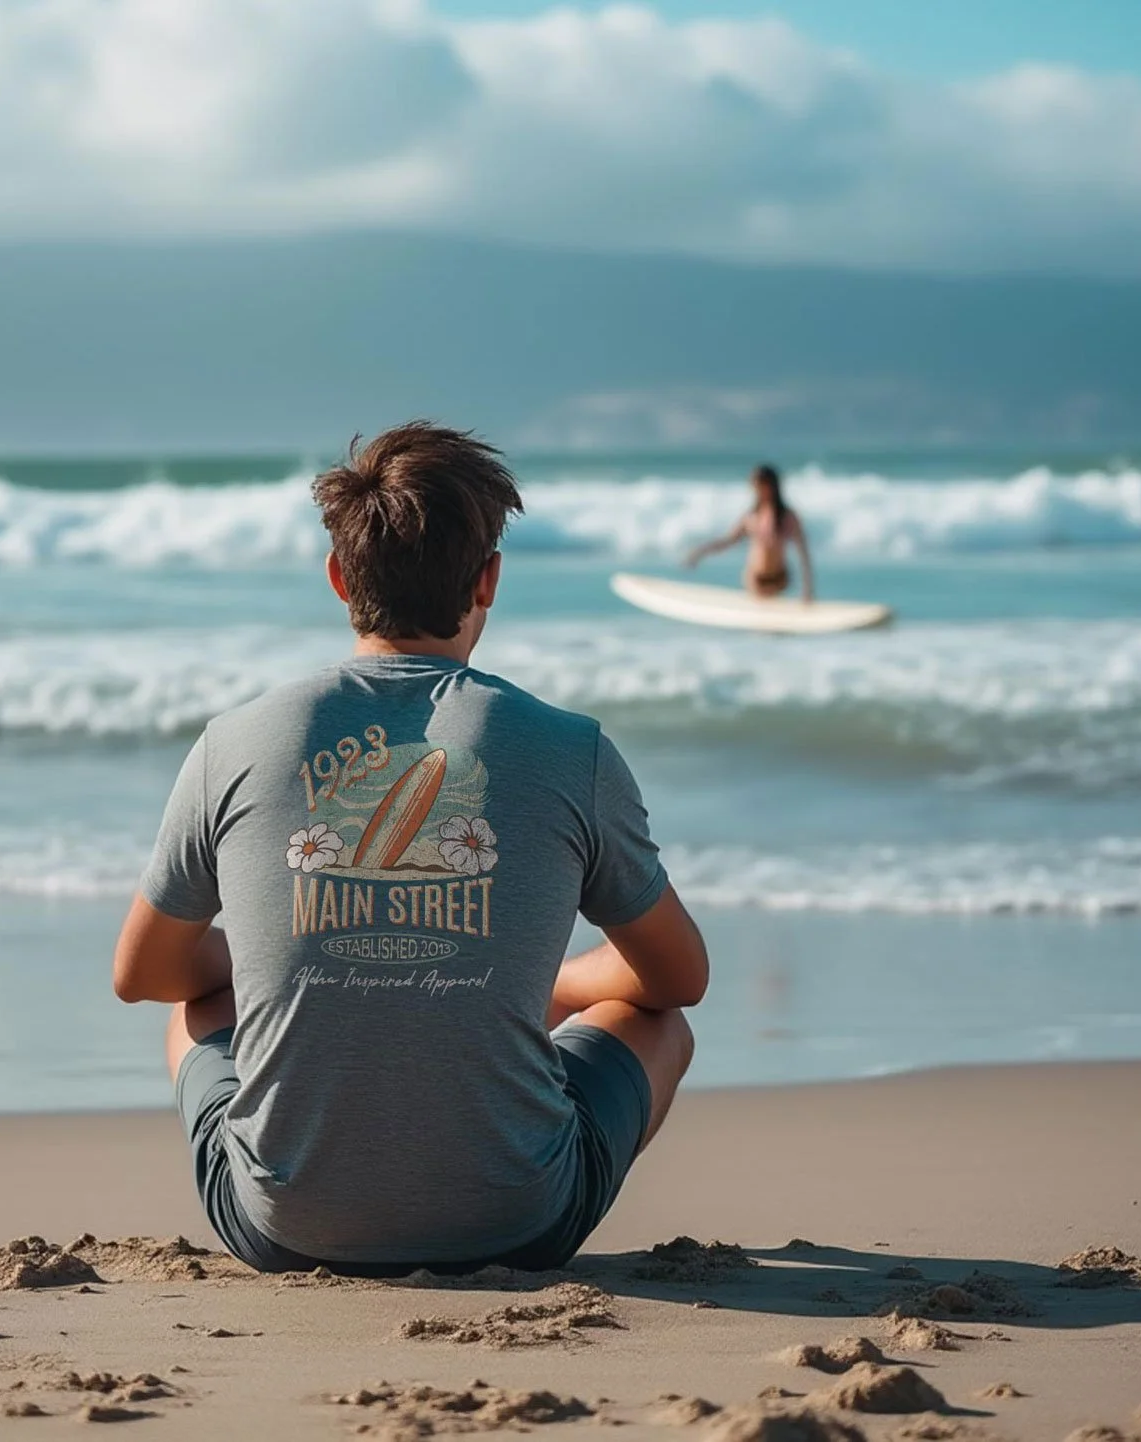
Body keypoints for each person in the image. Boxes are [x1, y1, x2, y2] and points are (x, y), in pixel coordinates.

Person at [112, 421, 708, 1275]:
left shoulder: (236, 741)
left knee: (197, 1007)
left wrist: (273, 959)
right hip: (519, 1224)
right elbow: (680, 980)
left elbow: (140, 974)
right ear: (489, 580)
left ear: (338, 576)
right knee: (660, 1027)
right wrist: (560, 983)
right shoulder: (571, 751)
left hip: (283, 1228)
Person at [685, 463, 814, 600]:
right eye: (755, 486)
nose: (757, 490)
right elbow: (727, 541)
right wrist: (699, 552)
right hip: (755, 581)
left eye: (761, 486)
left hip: (779, 581)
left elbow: (803, 552)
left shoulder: (788, 517)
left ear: (772, 486)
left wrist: (807, 590)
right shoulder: (751, 517)